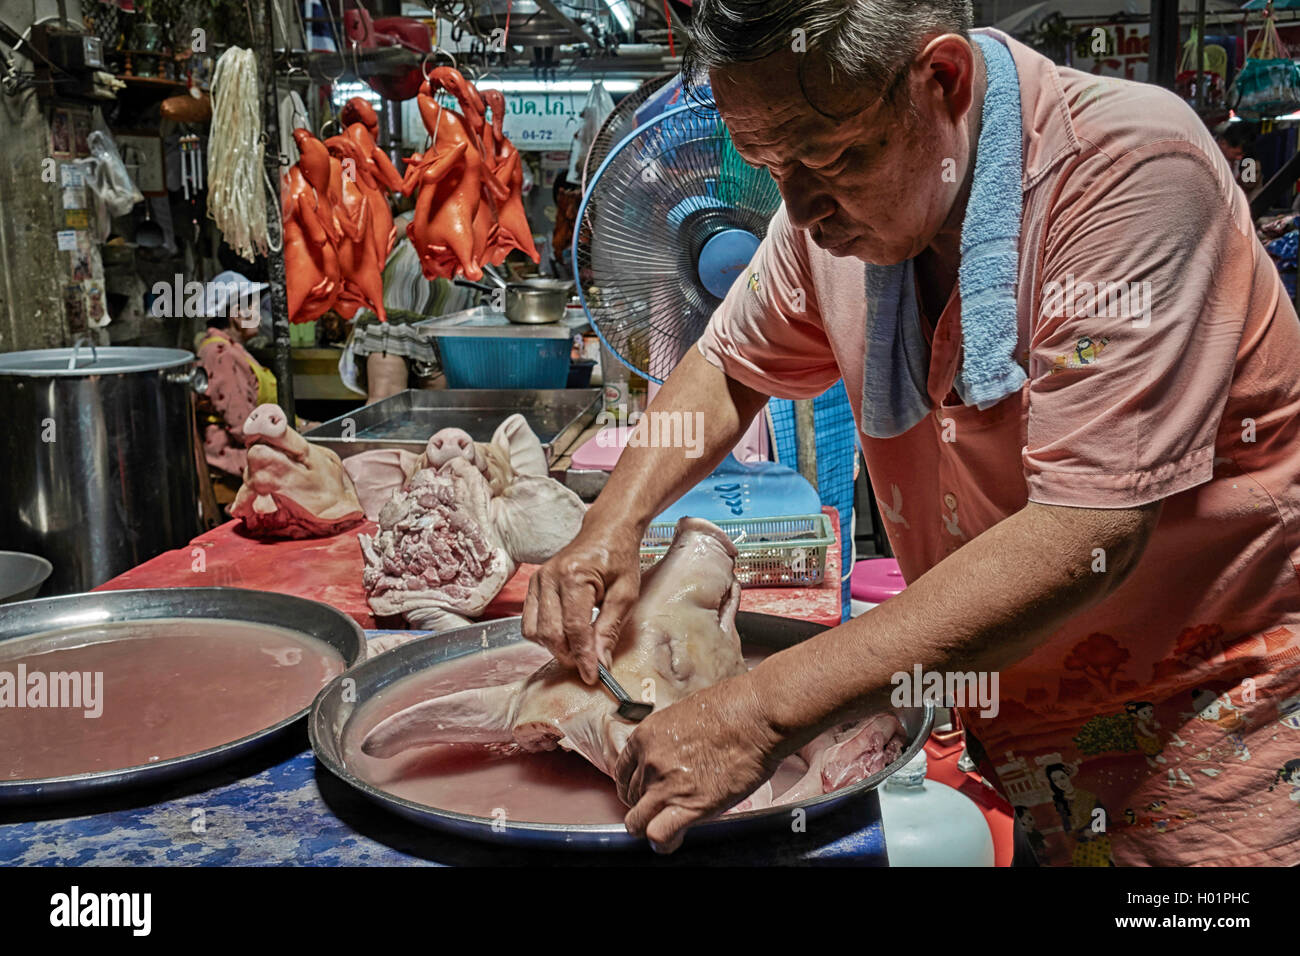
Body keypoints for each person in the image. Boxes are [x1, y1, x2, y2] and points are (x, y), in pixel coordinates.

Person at [521, 0, 1300, 865]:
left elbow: (1090, 528)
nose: (802, 209)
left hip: (1216, 754)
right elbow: (729, 365)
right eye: (771, 166)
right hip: (1029, 748)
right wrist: (610, 526)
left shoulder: (1130, 174)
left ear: (944, 80)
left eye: (834, 157)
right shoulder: (826, 215)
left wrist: (762, 709)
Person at [194, 270, 276, 480]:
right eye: (254, 307)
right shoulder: (222, 355)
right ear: (237, 313)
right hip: (231, 457)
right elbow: (244, 426)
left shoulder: (229, 348)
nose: (260, 316)